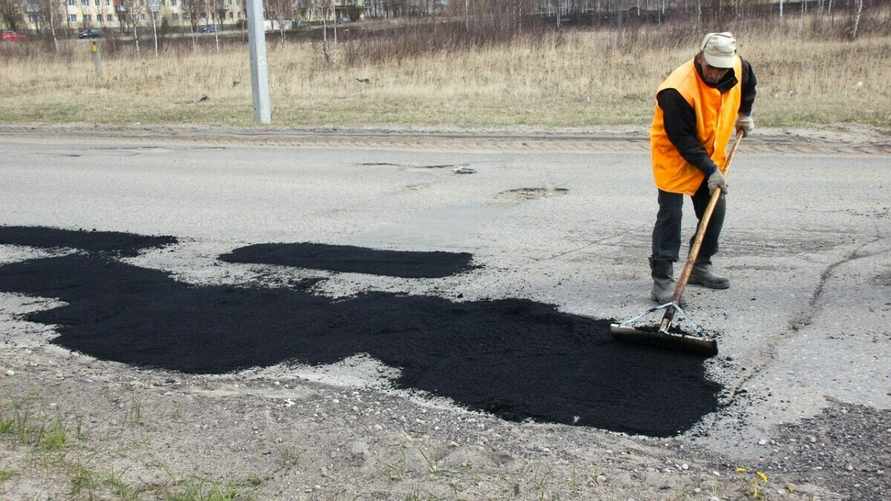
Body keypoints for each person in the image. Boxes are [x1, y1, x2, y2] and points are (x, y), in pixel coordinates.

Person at [648, 32, 757, 304]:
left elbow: (748, 85)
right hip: (675, 155)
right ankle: (662, 281)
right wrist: (710, 170)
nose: (717, 74)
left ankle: (700, 266)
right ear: (700, 57)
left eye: (722, 69)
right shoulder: (676, 89)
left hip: (710, 153)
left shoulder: (738, 67)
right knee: (671, 216)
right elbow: (682, 139)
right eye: (711, 67)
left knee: (714, 212)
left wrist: (745, 115)